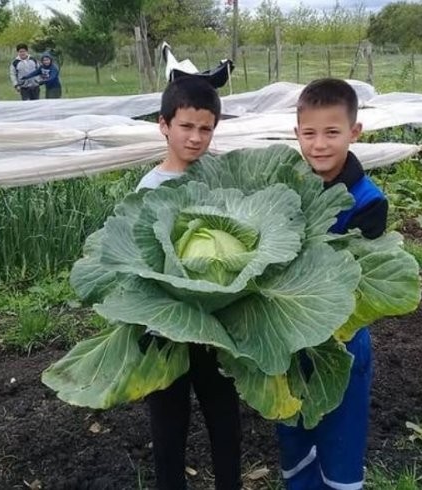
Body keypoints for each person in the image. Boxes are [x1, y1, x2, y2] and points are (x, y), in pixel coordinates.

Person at [276, 78, 388, 490]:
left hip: (340, 339)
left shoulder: (368, 200)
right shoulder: (286, 183)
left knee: (341, 435)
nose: (319, 144)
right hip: (285, 334)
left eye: (332, 132)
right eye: (309, 133)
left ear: (354, 133)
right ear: (297, 134)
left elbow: (362, 284)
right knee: (292, 427)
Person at [137, 76, 243, 490]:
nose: (196, 137)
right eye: (186, 126)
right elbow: (138, 261)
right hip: (167, 327)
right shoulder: (148, 188)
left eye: (206, 128)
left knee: (225, 420)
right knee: (168, 424)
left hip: (218, 326)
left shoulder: (222, 177)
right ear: (164, 125)